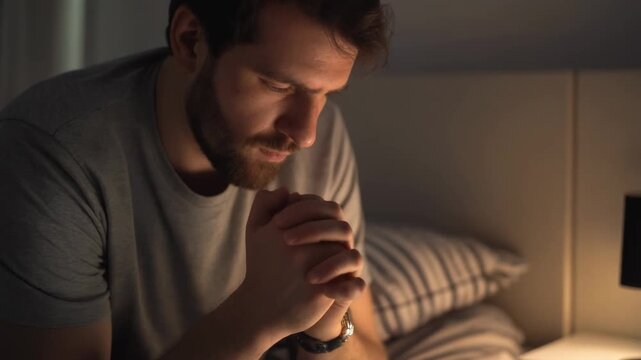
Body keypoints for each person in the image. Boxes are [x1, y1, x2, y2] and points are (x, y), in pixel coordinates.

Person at [0, 0, 391, 358]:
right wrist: (253, 314)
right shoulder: (53, 153)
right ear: (190, 40)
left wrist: (324, 323)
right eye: (279, 86)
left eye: (327, 95)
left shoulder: (323, 137)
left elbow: (369, 348)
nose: (306, 134)